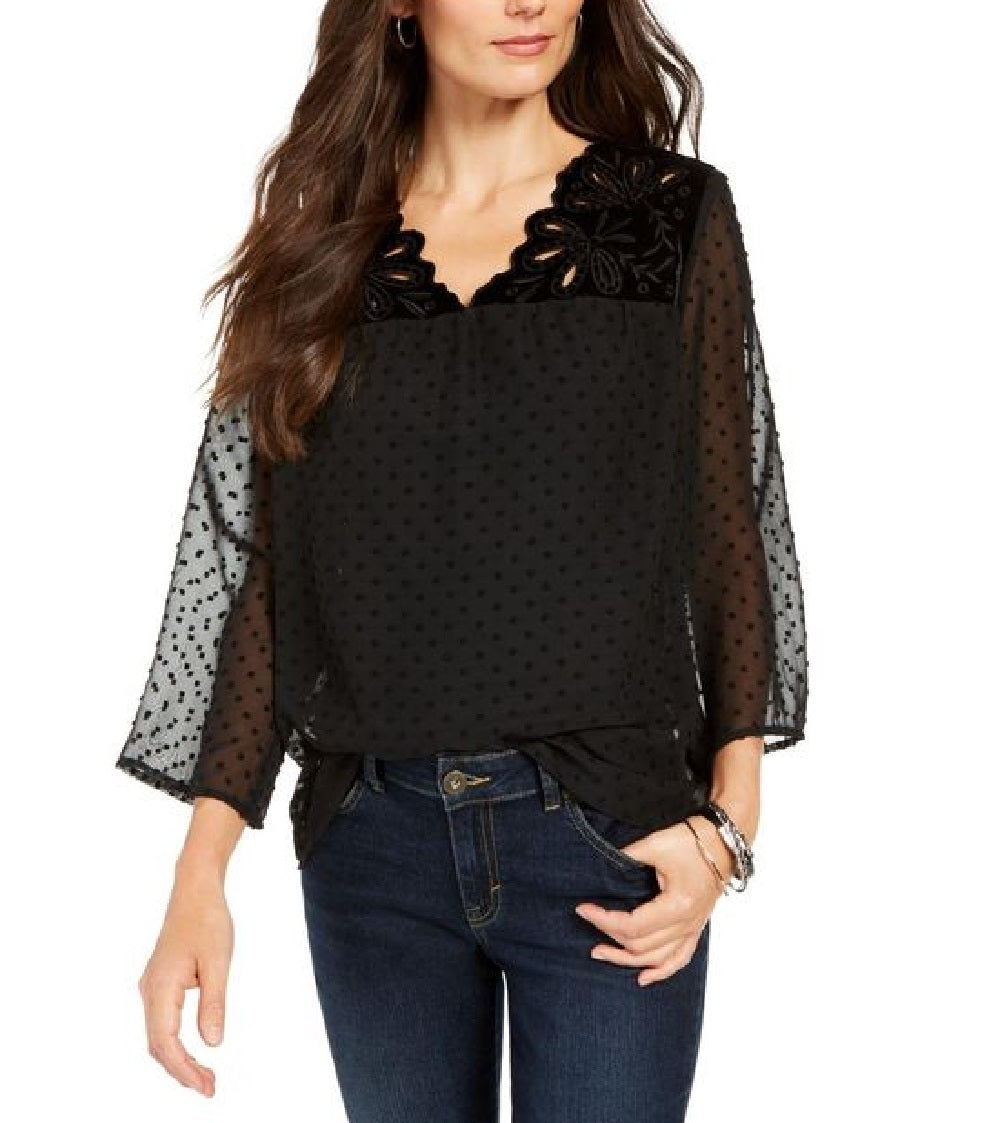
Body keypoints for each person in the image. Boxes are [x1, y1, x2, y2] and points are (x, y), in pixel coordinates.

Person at [116, 2, 809, 1120]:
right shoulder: (320, 237)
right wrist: (199, 877)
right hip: (371, 847)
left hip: (606, 834)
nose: (528, 3)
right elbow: (270, 582)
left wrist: (729, 830)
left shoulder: (668, 215)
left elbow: (729, 531)